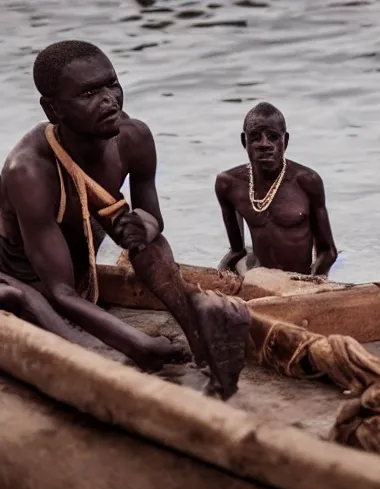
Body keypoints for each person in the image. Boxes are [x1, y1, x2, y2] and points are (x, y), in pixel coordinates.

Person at [0, 40, 250, 399]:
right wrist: (138, 344)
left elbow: (152, 219)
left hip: (75, 265)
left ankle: (201, 340)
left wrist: (143, 226)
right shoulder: (29, 171)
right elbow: (61, 291)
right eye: (88, 93)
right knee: (30, 302)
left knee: (147, 241)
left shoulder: (134, 137)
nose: (109, 100)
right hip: (27, 277)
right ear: (53, 109)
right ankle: (115, 356)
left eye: (112, 84)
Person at [215, 102, 338, 276]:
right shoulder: (228, 184)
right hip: (261, 277)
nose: (264, 144)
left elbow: (328, 252)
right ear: (245, 141)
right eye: (256, 137)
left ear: (285, 141)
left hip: (303, 278)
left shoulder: (307, 181)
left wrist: (312, 284)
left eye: (273, 137)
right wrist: (220, 279)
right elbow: (237, 251)